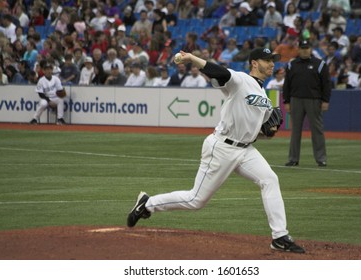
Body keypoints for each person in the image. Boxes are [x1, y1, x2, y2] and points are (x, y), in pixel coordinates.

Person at [127, 47, 306, 254]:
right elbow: (217, 71)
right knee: (196, 200)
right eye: (267, 60)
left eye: (273, 60)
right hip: (221, 147)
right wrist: (192, 58)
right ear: (254, 63)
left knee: (270, 179)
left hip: (246, 150)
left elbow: (259, 132)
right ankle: (147, 204)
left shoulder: (264, 96)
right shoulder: (240, 80)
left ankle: (280, 237)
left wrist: (269, 131)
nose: (272, 64)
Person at [282, 39, 331, 167]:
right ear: (299, 49)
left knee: (317, 130)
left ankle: (321, 158)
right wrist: (286, 101)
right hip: (296, 100)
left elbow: (326, 84)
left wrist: (325, 100)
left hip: (314, 100)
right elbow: (287, 85)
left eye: (307, 48)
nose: (305, 50)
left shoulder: (320, 64)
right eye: (302, 48)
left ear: (310, 49)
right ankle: (293, 159)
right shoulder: (291, 65)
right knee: (295, 131)